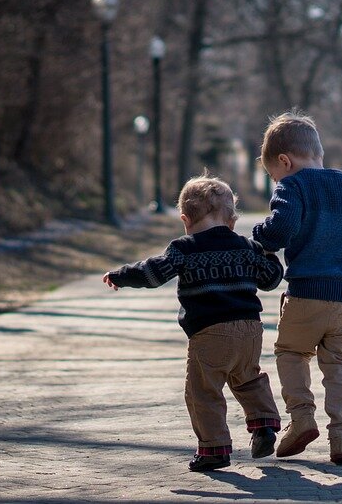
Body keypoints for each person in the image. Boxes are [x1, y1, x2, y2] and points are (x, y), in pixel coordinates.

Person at [102, 173, 284, 472]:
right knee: (248, 378)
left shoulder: (184, 248)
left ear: (185, 219)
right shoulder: (246, 246)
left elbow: (153, 273)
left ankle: (214, 449)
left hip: (210, 332)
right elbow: (270, 279)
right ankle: (264, 425)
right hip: (250, 330)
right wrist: (269, 253)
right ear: (232, 221)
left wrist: (122, 275)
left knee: (203, 391)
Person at [253, 110, 342, 464]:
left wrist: (259, 235)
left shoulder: (292, 186)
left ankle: (301, 419)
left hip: (307, 295)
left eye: (273, 174)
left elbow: (279, 231)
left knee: (291, 353)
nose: (275, 180)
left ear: (285, 161)